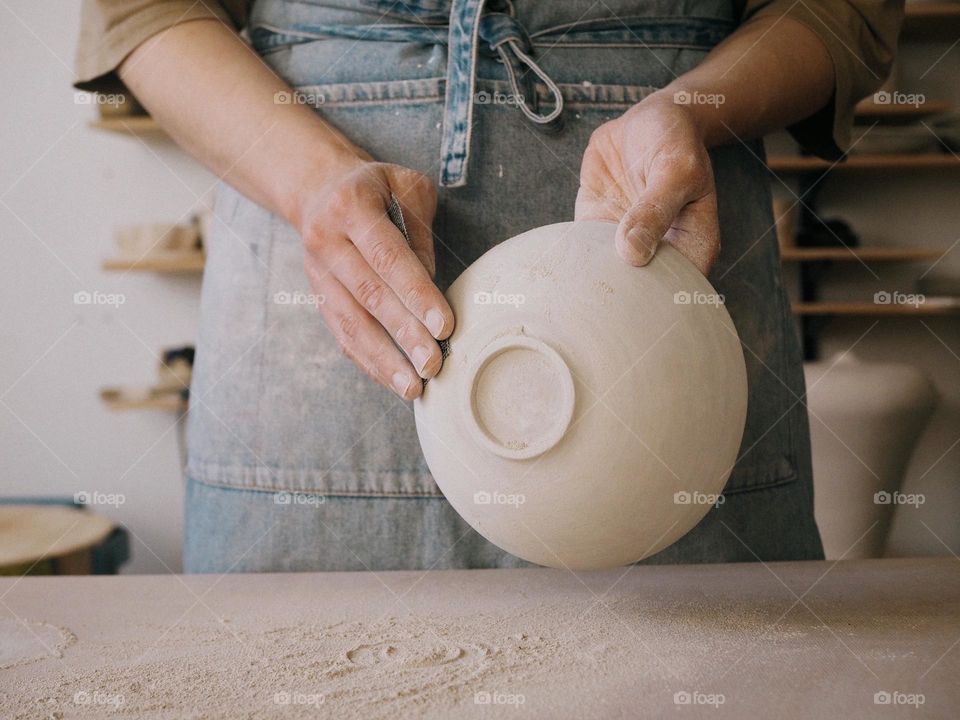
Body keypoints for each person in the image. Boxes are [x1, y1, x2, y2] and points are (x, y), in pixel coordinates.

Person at [76, 0, 902, 572]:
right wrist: (311, 182)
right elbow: (140, 14)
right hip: (311, 248)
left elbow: (840, 11)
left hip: (668, 248)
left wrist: (692, 108)